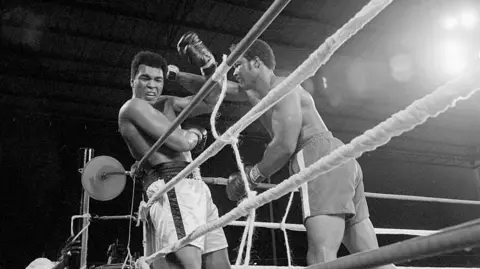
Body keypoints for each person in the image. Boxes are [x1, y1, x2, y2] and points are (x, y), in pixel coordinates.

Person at [175, 32, 395, 268]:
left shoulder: (283, 87)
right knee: (373, 258)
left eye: (237, 64)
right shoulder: (253, 93)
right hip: (340, 159)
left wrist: (252, 176)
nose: (235, 72)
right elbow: (214, 90)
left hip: (318, 156)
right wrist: (182, 73)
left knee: (322, 254)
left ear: (257, 62)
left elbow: (284, 145)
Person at [118, 51, 231, 269]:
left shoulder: (167, 104)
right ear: (132, 80)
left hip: (194, 185)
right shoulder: (132, 107)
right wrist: (196, 133)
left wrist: (203, 68)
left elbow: (212, 98)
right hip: (172, 185)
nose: (152, 85)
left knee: (220, 265)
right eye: (145, 78)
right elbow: (181, 143)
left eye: (158, 80)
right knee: (189, 265)